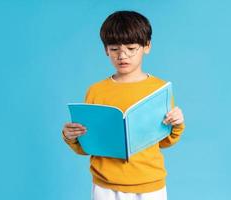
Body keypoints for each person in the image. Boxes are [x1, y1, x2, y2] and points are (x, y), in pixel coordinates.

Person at [62, 10, 185, 200]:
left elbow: (164, 141)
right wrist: (72, 137)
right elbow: (88, 146)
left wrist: (176, 124)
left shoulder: (159, 89)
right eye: (114, 49)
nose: (122, 55)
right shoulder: (96, 91)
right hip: (106, 185)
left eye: (131, 48)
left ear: (147, 46)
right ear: (106, 50)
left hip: (150, 182)